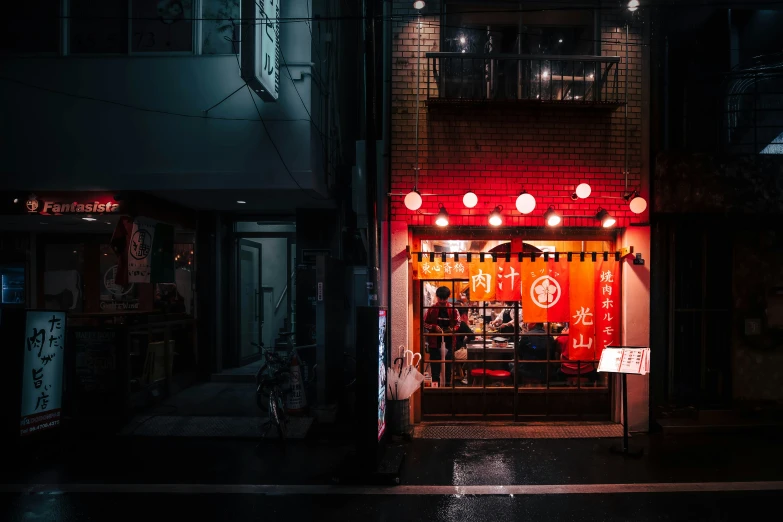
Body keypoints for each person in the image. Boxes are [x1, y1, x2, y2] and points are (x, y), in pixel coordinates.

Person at [423, 286, 460, 386]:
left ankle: (447, 389)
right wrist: (434, 327)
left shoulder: (453, 309)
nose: (442, 301)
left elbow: (458, 323)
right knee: (435, 369)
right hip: (434, 343)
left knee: (448, 368)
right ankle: (436, 390)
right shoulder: (431, 309)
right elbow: (424, 323)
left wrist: (453, 329)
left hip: (449, 342)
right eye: (440, 298)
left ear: (448, 297)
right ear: (437, 297)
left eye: (445, 298)